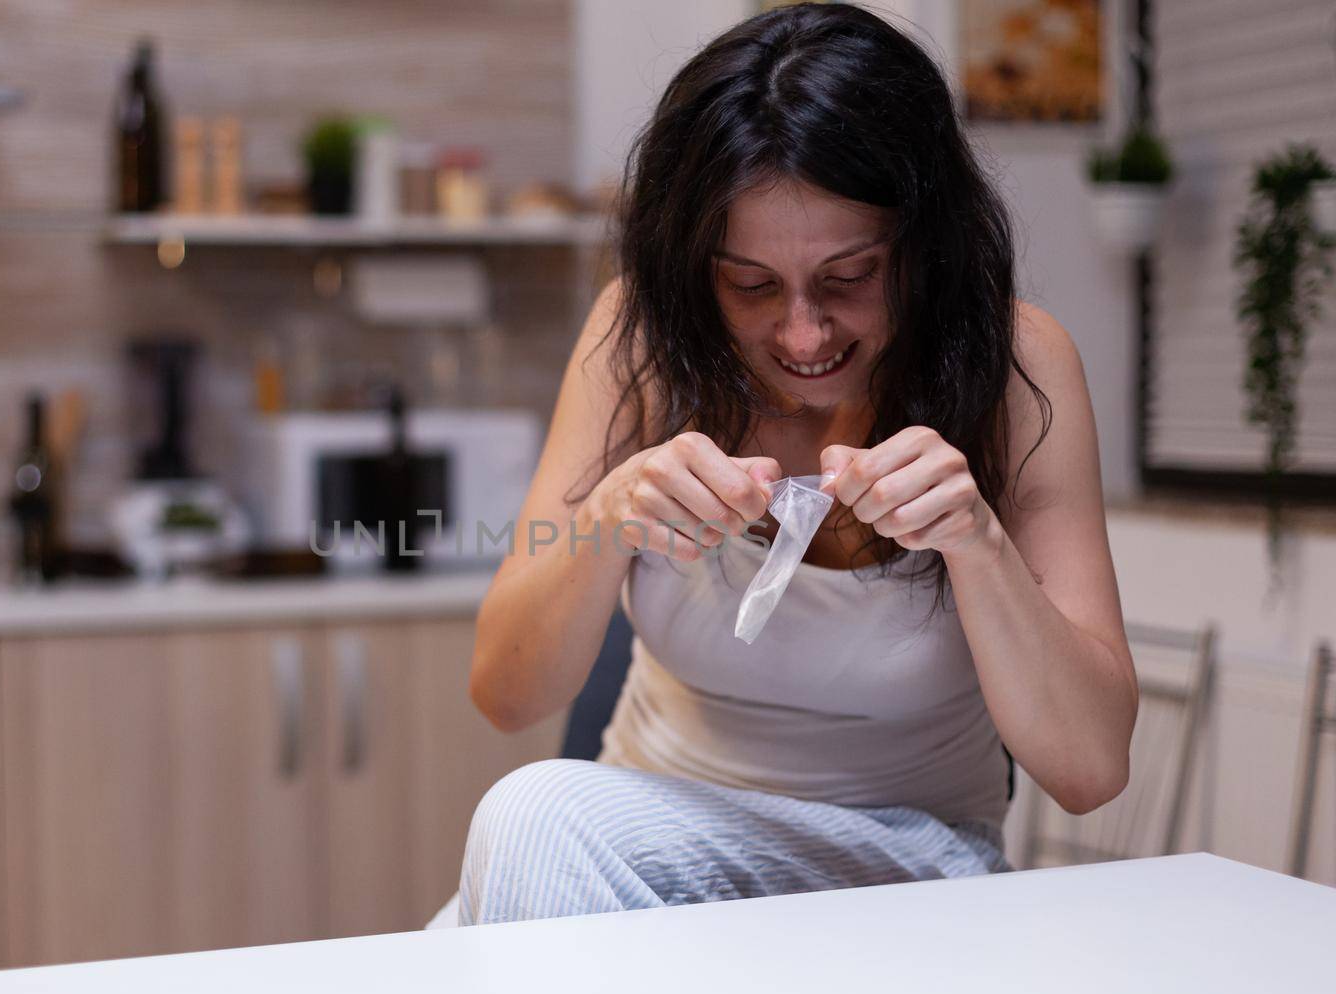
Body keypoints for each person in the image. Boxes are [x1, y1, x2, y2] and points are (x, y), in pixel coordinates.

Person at [427, 3, 1137, 929]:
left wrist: (978, 542)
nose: (804, 333)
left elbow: (1089, 770)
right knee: (508, 864)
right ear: (692, 268)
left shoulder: (1017, 367)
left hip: (905, 867)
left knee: (532, 821)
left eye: (849, 277)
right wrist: (609, 517)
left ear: (925, 246)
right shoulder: (638, 338)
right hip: (626, 852)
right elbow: (505, 691)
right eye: (751, 285)